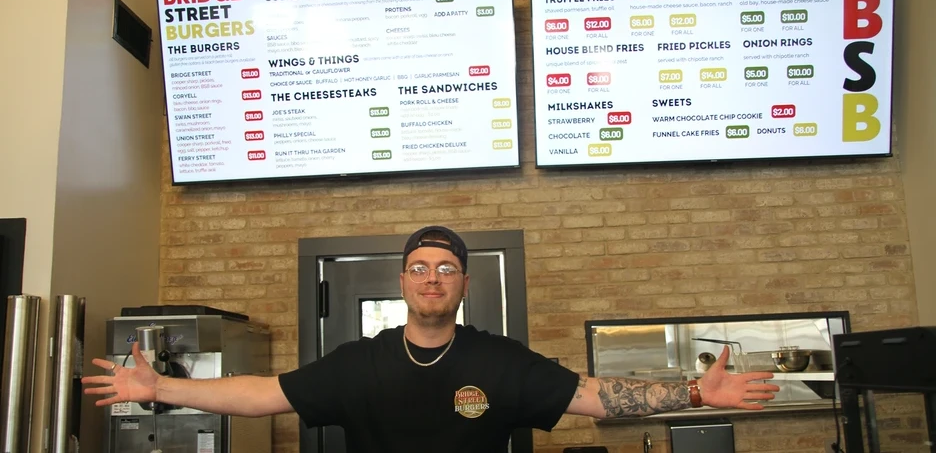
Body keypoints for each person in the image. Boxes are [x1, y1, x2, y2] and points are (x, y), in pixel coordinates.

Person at [82, 225, 780, 452]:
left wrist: (693, 388)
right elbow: (266, 394)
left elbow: (597, 397)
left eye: (447, 268)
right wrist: (161, 386)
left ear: (464, 285)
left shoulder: (500, 361)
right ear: (404, 283)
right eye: (420, 267)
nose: (432, 277)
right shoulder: (359, 364)